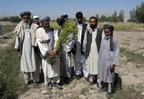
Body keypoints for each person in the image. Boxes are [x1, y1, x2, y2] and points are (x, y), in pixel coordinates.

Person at [36, 16, 62, 94]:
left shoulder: (53, 30)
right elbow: (39, 42)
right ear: (42, 24)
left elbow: (57, 39)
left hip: (54, 51)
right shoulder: (39, 31)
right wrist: (47, 51)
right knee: (46, 68)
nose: (47, 24)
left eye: (48, 22)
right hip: (46, 53)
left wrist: (56, 48)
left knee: (56, 67)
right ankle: (49, 82)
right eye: (45, 23)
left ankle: (57, 82)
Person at [14, 11, 37, 87]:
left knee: (33, 64)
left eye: (27, 17)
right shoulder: (19, 27)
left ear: (29, 18)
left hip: (33, 50)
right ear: (22, 18)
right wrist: (18, 52)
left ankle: (35, 80)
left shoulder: (33, 26)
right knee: (25, 66)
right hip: (23, 50)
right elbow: (17, 41)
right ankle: (26, 81)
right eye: (24, 18)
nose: (25, 19)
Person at [98, 24, 119, 98]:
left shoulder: (115, 40)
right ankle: (103, 87)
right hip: (102, 60)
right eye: (105, 32)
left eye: (108, 32)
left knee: (110, 76)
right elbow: (101, 50)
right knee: (102, 74)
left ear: (111, 32)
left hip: (110, 61)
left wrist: (113, 63)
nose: (106, 34)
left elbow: (116, 53)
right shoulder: (103, 39)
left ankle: (109, 91)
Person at [82, 16, 104, 84]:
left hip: (98, 51)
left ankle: (98, 80)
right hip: (89, 51)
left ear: (96, 22)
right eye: (91, 22)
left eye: (93, 22)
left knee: (98, 65)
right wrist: (84, 51)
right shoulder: (87, 30)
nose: (92, 23)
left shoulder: (100, 30)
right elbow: (85, 41)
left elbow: (103, 41)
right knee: (90, 64)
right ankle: (91, 79)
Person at [56, 15, 73, 82]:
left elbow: (72, 40)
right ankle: (62, 75)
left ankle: (68, 76)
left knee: (67, 63)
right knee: (61, 62)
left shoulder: (69, 31)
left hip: (66, 48)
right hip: (60, 49)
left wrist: (66, 43)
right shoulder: (58, 31)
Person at [74, 12, 88, 80]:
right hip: (76, 46)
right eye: (78, 18)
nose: (79, 19)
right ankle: (78, 73)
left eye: (80, 18)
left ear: (82, 17)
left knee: (84, 61)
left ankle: (86, 74)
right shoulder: (74, 26)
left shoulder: (86, 26)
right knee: (77, 61)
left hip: (83, 46)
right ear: (76, 18)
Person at [30, 15, 41, 84]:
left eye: (37, 19)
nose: (36, 20)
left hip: (41, 46)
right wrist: (36, 48)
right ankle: (36, 79)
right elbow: (34, 38)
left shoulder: (40, 25)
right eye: (35, 19)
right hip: (35, 47)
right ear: (33, 20)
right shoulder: (32, 26)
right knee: (36, 64)